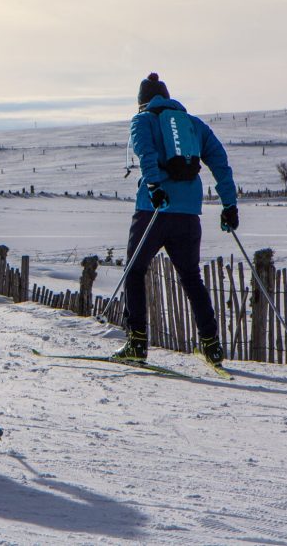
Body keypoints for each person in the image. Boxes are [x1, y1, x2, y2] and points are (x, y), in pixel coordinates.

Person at [113, 73, 238, 367]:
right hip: (188, 214)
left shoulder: (142, 120)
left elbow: (145, 152)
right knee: (191, 277)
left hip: (153, 210)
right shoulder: (193, 124)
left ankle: (137, 343)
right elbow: (220, 161)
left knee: (134, 270)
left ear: (142, 101)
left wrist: (155, 186)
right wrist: (229, 204)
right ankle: (212, 346)